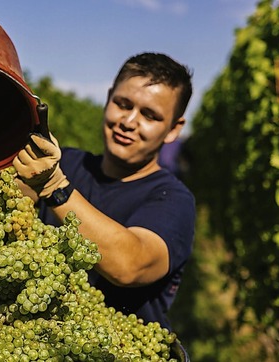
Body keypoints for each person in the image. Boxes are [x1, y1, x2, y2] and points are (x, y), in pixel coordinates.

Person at [13, 52, 195, 331]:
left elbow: (130, 264)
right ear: (109, 97)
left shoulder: (173, 201)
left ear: (174, 129)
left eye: (150, 115)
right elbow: (11, 203)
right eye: (123, 104)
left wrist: (53, 187)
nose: (129, 122)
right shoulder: (68, 162)